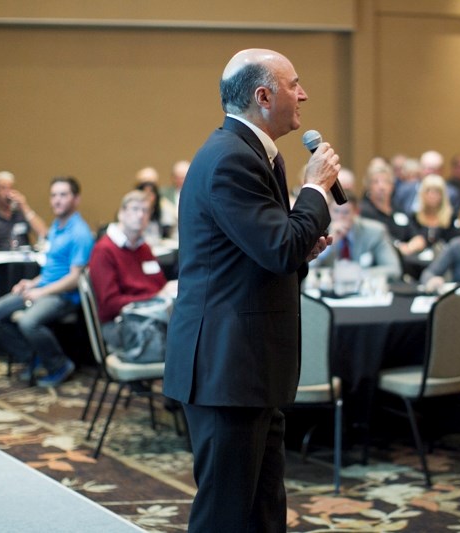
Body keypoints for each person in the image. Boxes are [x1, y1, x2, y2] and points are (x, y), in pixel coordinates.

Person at [163, 48, 339, 532]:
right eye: (293, 84)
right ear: (263, 96)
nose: (303, 93)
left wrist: (298, 249)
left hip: (249, 365)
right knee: (226, 514)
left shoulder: (250, 154)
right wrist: (316, 190)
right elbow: (280, 246)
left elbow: (266, 253)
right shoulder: (230, 160)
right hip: (226, 368)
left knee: (261, 509)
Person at [0, 176, 94, 387]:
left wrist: (41, 293)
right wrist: (31, 283)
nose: (57, 200)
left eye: (63, 195)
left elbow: (74, 278)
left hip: (64, 296)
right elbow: (52, 270)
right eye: (54, 195)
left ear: (76, 199)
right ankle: (34, 357)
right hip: (44, 287)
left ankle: (58, 364)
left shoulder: (80, 233)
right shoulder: (56, 226)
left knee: (28, 321)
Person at [88, 190, 168, 351]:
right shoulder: (104, 250)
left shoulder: (143, 248)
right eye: (135, 209)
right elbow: (110, 304)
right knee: (180, 344)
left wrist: (164, 294)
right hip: (120, 324)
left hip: (150, 316)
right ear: (121, 214)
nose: (140, 215)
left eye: (145, 211)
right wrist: (154, 297)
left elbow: (161, 287)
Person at [313, 191, 403, 280]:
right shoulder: (318, 231)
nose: (340, 217)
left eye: (345, 212)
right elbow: (308, 267)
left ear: (356, 212)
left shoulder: (375, 232)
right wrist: (328, 245)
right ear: (328, 211)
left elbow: (394, 269)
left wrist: (356, 274)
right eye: (336, 211)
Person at [0, 171, 48, 250]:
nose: (8, 193)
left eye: (10, 188)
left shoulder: (21, 213)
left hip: (24, 259)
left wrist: (25, 207)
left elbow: (43, 233)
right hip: (2, 260)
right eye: (3, 188)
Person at [359, 161, 414, 245]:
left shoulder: (398, 209)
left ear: (392, 186)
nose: (382, 186)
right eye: (376, 182)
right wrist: (398, 248)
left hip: (406, 254)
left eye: (386, 181)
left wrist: (410, 247)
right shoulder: (363, 211)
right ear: (368, 186)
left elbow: (415, 235)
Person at [134, 166, 178, 237]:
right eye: (143, 190)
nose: (147, 196)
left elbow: (169, 231)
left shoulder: (165, 206)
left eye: (151, 191)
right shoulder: (129, 206)